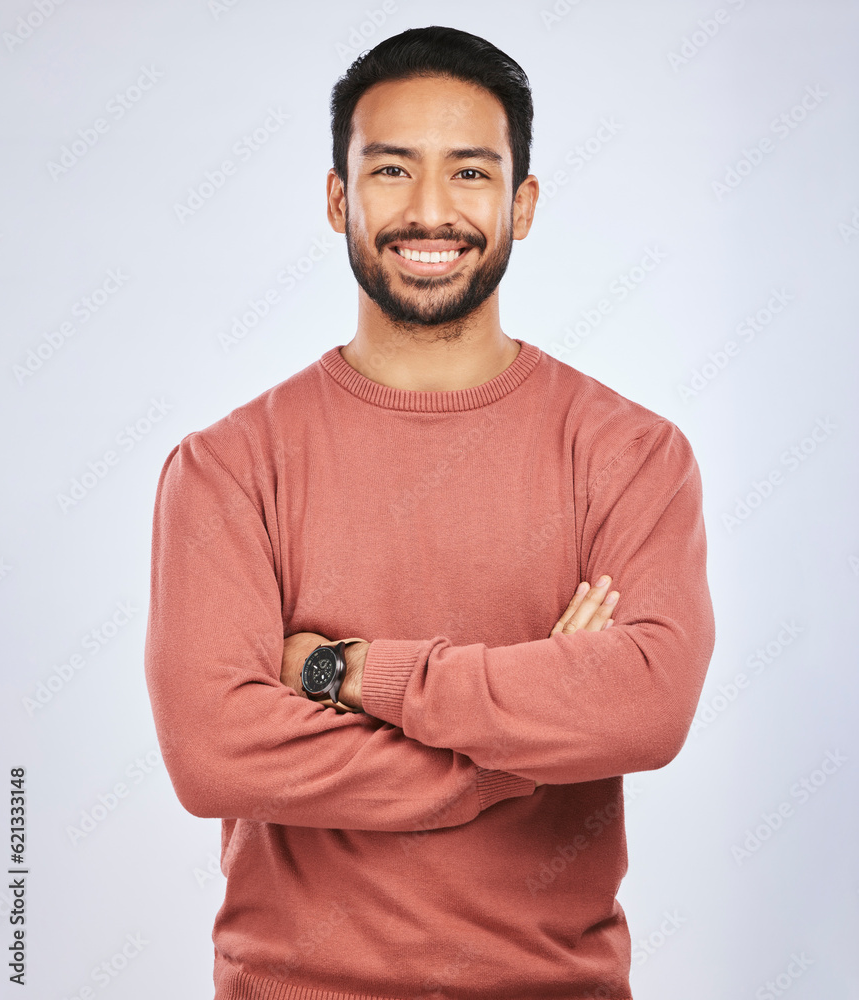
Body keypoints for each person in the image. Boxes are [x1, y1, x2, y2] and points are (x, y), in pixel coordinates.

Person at [144, 25, 716, 1000]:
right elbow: (212, 752)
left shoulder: (633, 454)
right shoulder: (226, 467)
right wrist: (511, 751)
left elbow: (648, 704)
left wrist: (347, 671)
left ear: (523, 204)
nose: (430, 211)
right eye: (392, 170)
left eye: (471, 174)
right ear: (338, 199)